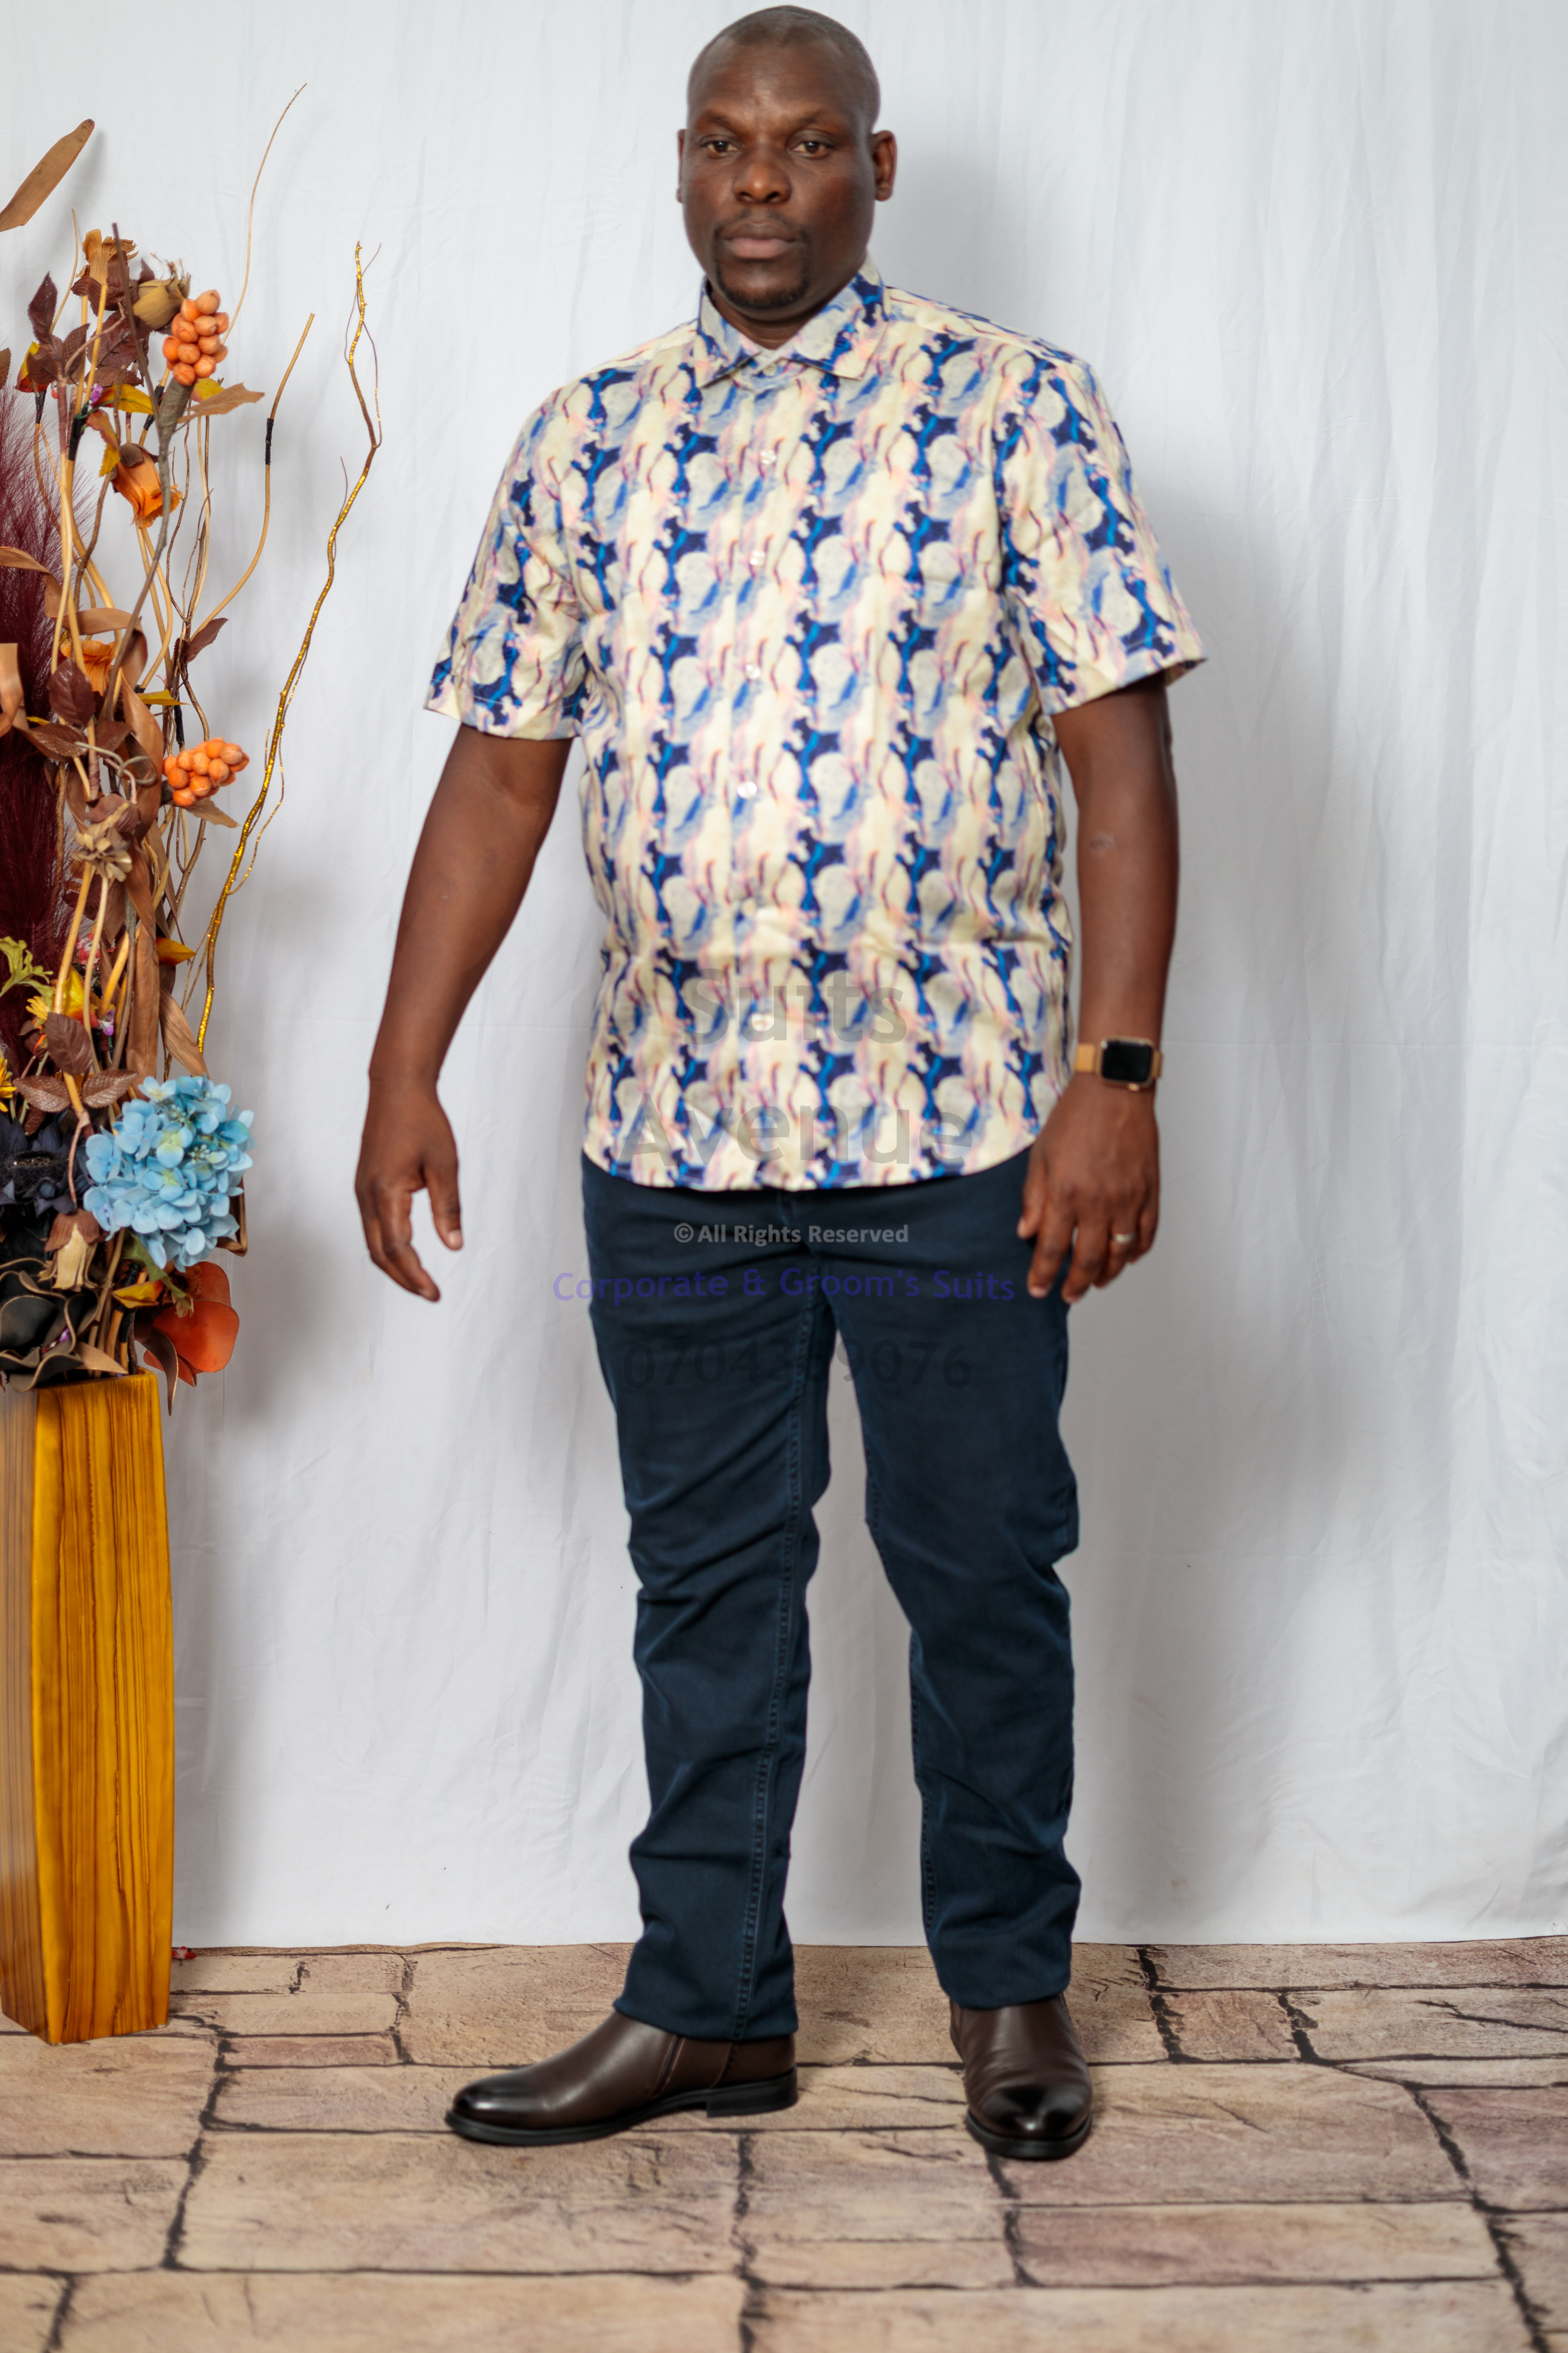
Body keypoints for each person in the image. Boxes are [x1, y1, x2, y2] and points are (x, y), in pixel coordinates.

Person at [356, 4, 1202, 2161]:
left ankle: (1009, 1991)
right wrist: (401, 1064)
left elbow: (1119, 767)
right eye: (725, 142)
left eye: (809, 143)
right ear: (680, 164)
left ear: (875, 170)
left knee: (981, 1567)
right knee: (705, 1583)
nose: (761, 181)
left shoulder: (1015, 408)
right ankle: (709, 2007)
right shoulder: (587, 440)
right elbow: (499, 781)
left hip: (957, 1135)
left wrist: (1115, 1076)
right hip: (675, 1136)